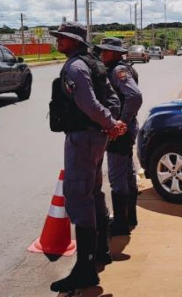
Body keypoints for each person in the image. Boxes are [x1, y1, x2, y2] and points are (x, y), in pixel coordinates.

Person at [49, 22, 126, 293]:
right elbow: (112, 99)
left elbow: (89, 103)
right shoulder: (94, 64)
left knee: (78, 196)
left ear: (75, 41)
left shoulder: (75, 67)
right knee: (93, 193)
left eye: (63, 38)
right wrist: (112, 122)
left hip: (83, 137)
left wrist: (111, 123)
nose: (58, 41)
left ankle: (85, 270)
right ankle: (101, 251)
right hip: (96, 136)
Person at [95, 37, 143, 236]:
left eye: (106, 51)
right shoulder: (121, 68)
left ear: (115, 53)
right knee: (127, 172)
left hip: (121, 130)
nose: (102, 54)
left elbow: (135, 96)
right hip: (127, 128)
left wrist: (121, 121)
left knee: (117, 177)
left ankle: (121, 223)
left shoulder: (118, 71)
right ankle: (130, 216)